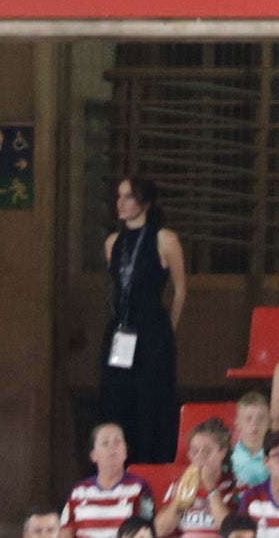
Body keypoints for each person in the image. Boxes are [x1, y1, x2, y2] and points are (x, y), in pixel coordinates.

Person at [99, 175, 186, 464]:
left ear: (145, 202)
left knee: (152, 403)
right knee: (116, 401)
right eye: (118, 197)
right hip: (121, 329)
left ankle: (153, 469)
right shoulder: (113, 242)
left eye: (128, 197)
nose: (121, 203)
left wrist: (167, 330)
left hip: (152, 331)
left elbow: (180, 290)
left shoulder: (164, 238)